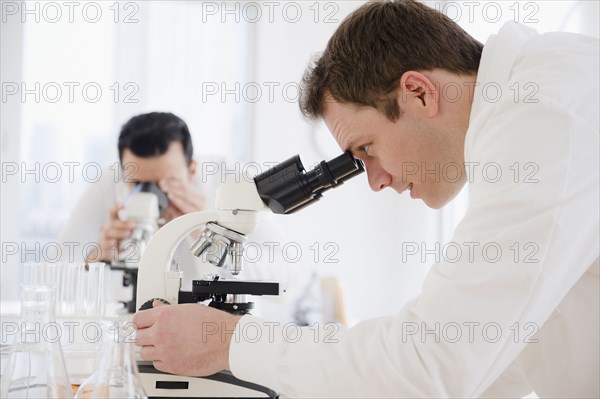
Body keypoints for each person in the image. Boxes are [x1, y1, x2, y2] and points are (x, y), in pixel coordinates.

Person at [133, 1, 599, 397]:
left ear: (418, 92)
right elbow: (492, 357)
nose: (375, 182)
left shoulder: (542, 120)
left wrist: (226, 342)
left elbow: (431, 360)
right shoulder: (532, 104)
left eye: (366, 149)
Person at [59, 112, 288, 295]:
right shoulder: (108, 185)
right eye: (138, 183)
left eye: (168, 182)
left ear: (192, 170)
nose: (155, 195)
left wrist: (208, 231)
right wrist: (100, 257)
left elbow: (284, 276)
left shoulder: (231, 181)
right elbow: (56, 277)